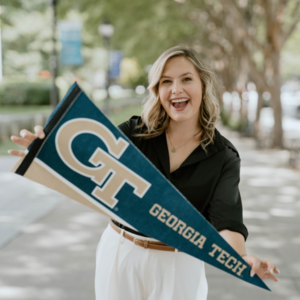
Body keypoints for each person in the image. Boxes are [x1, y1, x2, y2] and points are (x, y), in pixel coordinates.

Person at [9, 46, 279, 300]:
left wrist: (241, 259)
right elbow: (86, 157)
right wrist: (46, 149)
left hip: (180, 262)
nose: (176, 90)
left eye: (186, 79)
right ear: (157, 90)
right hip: (120, 252)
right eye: (166, 81)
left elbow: (227, 220)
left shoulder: (224, 156)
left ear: (203, 85)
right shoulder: (135, 133)